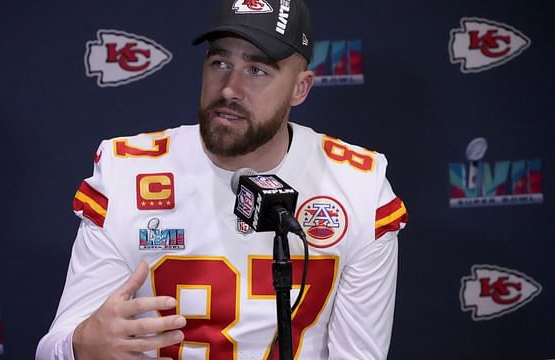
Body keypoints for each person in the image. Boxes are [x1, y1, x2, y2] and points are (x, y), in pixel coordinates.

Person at [36, 0, 408, 359]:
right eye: (219, 62)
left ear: (301, 87)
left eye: (257, 71)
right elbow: (53, 348)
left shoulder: (359, 187)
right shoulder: (126, 173)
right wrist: (81, 346)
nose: (230, 88)